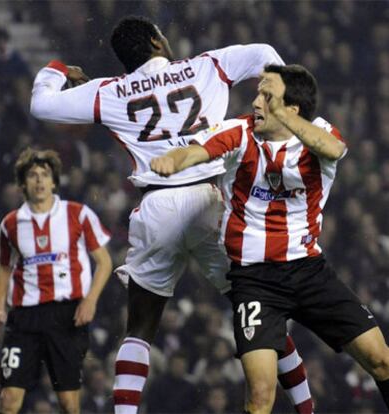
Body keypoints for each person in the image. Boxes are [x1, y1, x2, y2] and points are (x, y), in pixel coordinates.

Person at [30, 16, 313, 413]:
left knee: (141, 328)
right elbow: (265, 54)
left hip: (157, 204)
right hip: (210, 200)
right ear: (156, 41)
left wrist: (57, 69)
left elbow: (41, 104)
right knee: (259, 311)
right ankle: (306, 408)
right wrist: (273, 102)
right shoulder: (207, 65)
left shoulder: (108, 92)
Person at [151, 63, 389, 413]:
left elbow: (334, 150)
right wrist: (173, 160)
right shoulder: (240, 132)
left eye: (267, 96)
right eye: (257, 94)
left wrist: (285, 118)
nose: (256, 103)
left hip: (310, 271)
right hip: (255, 280)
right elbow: (196, 150)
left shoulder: (319, 134)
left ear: (292, 109)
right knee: (260, 396)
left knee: (381, 360)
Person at [0, 148, 113, 414]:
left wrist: (90, 301)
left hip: (66, 316)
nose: (39, 181)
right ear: (22, 183)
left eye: (45, 174)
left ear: (54, 181)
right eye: (32, 175)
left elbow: (104, 262)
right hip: (24, 319)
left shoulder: (78, 214)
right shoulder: (11, 224)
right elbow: (3, 267)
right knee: (9, 398)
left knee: (68, 402)